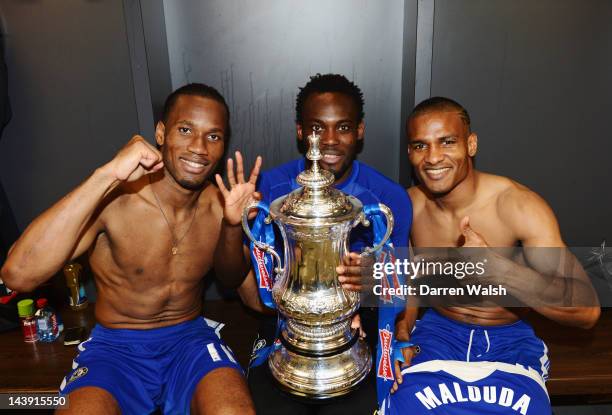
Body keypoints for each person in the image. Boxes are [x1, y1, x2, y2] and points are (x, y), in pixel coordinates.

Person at [0, 83, 257, 415]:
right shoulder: (116, 199)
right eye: (185, 130)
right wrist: (106, 175)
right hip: (115, 350)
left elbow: (240, 286)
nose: (199, 148)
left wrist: (236, 227)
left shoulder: (220, 205)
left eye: (213, 136)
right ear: (161, 133)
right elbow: (17, 275)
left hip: (190, 342)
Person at [383, 97, 600, 414]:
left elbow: (586, 310)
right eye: (420, 146)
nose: (432, 158)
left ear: (470, 144)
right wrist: (402, 334)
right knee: (401, 405)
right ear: (410, 152)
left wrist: (495, 268)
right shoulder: (408, 206)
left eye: (447, 142)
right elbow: (411, 283)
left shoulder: (518, 206)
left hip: (508, 343)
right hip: (437, 334)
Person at [214, 73, 412, 414]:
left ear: (360, 131)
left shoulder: (388, 198)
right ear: (301, 131)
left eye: (344, 127)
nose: (330, 140)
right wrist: (232, 225)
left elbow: (399, 285)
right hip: (283, 324)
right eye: (318, 128)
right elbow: (232, 280)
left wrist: (393, 326)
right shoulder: (270, 188)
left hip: (359, 327)